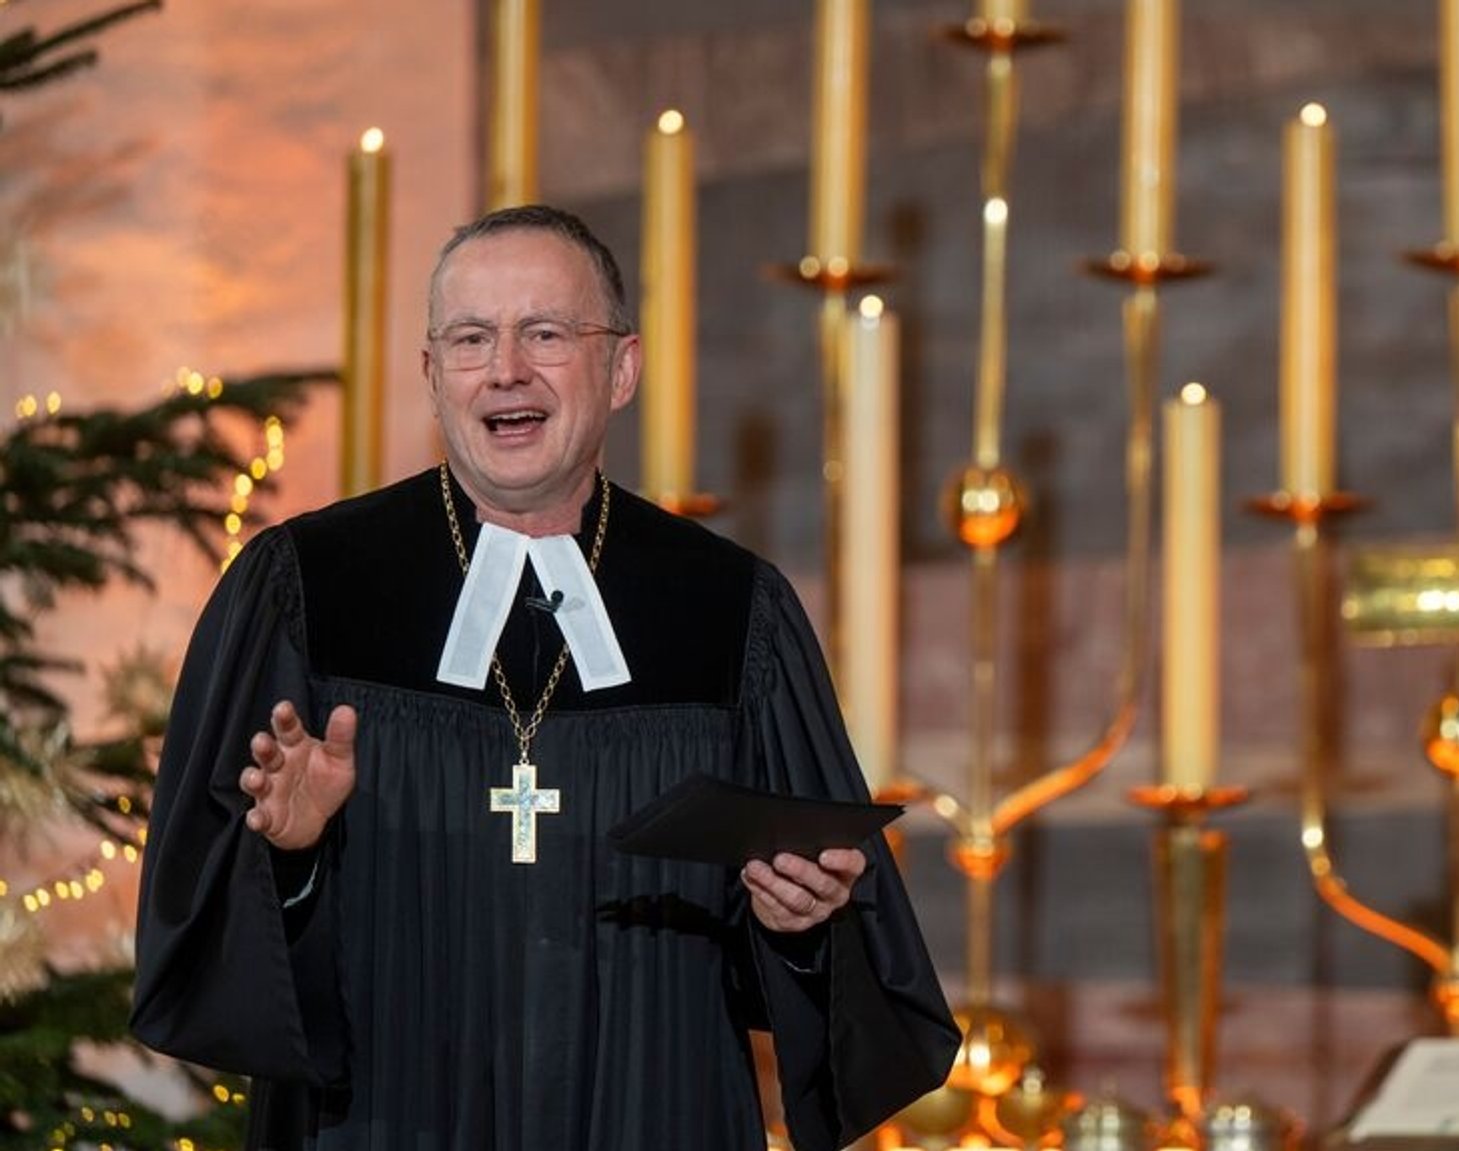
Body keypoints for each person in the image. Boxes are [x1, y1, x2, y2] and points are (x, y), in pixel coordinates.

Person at [131, 205, 960, 1150]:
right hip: (384, 1112)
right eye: (472, 337)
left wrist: (801, 924)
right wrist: (288, 857)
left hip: (654, 1108)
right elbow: (192, 931)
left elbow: (844, 958)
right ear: (432, 372)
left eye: (547, 333)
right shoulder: (305, 588)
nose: (506, 369)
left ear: (622, 369)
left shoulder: (730, 610)